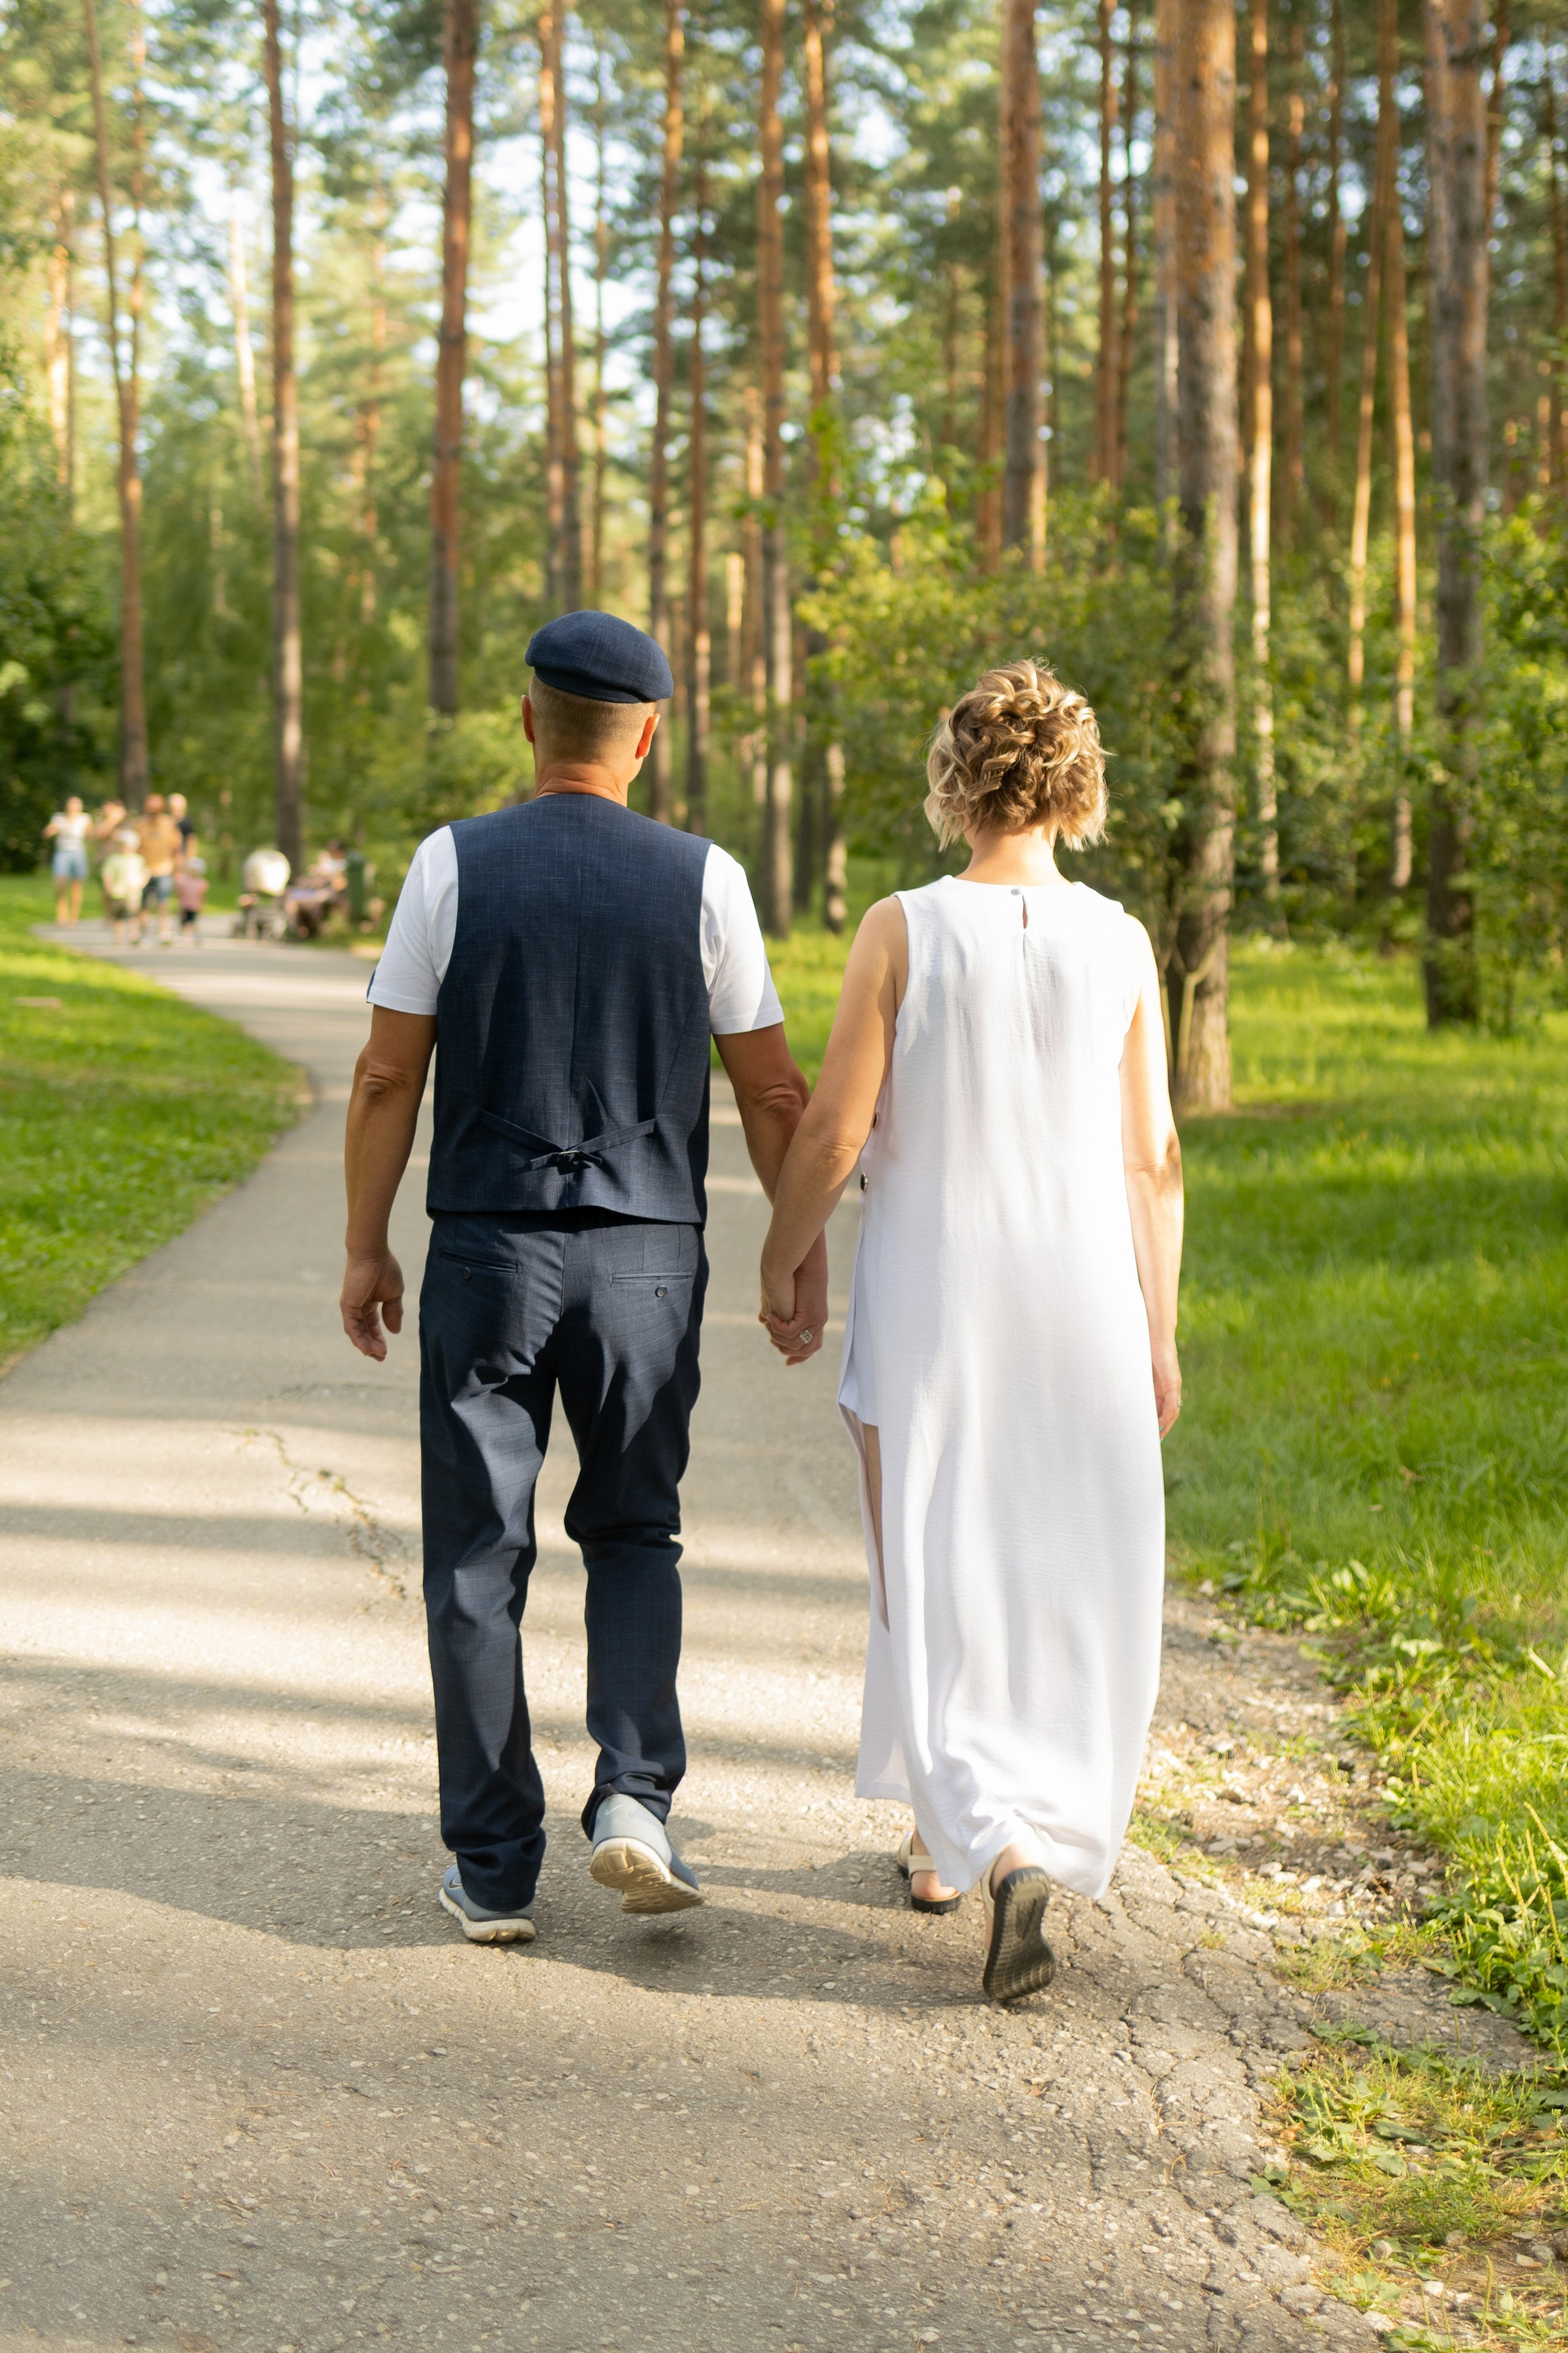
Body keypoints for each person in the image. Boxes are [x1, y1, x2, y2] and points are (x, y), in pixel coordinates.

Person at [339, 611, 826, 1947]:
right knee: (632, 1531)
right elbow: (774, 1084)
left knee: (476, 1559)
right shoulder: (705, 879)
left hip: (489, 1249)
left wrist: (365, 1239)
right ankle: (634, 1802)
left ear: (524, 720)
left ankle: (494, 1868)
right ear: (647, 736)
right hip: (648, 1265)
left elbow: (388, 1071)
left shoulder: (452, 865)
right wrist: (798, 1244)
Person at [758, 660, 1183, 2004]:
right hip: (1085, 1307)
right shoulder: (1118, 941)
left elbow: (833, 1129)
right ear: (1076, 786)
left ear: (956, 781)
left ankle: (990, 1846)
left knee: (928, 1568)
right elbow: (1151, 1159)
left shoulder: (901, 927)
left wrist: (782, 1251)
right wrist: (1158, 1333)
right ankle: (969, 1839)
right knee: (1053, 1562)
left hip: (936, 1301)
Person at [134, 793, 182, 948]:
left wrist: (178, 868)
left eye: (157, 812)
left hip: (165, 869)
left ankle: (164, 932)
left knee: (163, 902)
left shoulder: (169, 823)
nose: (154, 815)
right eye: (151, 812)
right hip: (145, 870)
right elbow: (134, 848)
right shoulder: (139, 825)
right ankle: (143, 934)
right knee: (144, 904)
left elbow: (176, 846)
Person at [43, 796, 91, 926]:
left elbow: (91, 834)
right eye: (72, 804)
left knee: (76, 886)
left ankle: (73, 917)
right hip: (62, 852)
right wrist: (52, 831)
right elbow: (47, 832)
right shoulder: (58, 818)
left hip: (78, 852)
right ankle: (61, 915)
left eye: (77, 804)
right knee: (60, 884)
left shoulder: (85, 819)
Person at [100, 829, 149, 948]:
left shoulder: (138, 860)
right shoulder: (114, 859)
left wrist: (141, 885)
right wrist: (109, 887)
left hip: (133, 893)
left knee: (133, 916)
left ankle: (134, 936)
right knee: (119, 917)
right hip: (118, 892)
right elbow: (108, 874)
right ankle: (119, 938)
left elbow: (145, 873)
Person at [176, 853, 209, 943]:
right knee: (185, 921)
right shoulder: (184, 881)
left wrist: (203, 905)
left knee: (194, 921)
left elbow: (202, 895)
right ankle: (187, 935)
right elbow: (179, 892)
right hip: (185, 904)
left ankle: (196, 935)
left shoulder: (201, 883)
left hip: (195, 905)